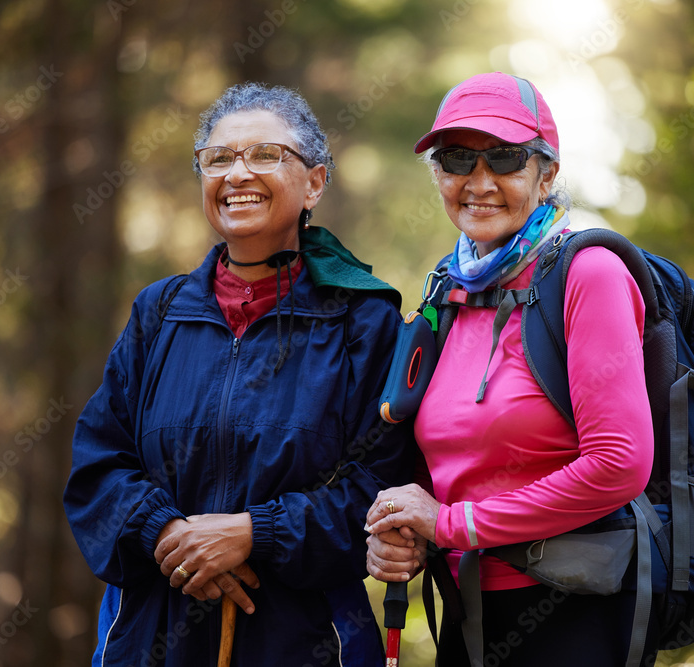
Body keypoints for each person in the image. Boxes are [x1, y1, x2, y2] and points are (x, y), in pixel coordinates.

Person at [64, 82, 413, 667]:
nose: (237, 174)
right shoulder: (159, 312)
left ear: (315, 183)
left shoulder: (363, 319)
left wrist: (252, 534)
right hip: (151, 637)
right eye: (218, 159)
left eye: (265, 155)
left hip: (306, 640)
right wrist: (171, 537)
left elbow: (380, 490)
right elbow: (98, 465)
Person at [364, 72, 659, 665]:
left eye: (504, 158)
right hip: (467, 610)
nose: (480, 182)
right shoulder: (451, 291)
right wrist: (406, 531)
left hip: (575, 611)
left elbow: (620, 463)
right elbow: (454, 466)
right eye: (457, 159)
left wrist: (451, 525)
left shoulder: (588, 275)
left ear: (546, 172)